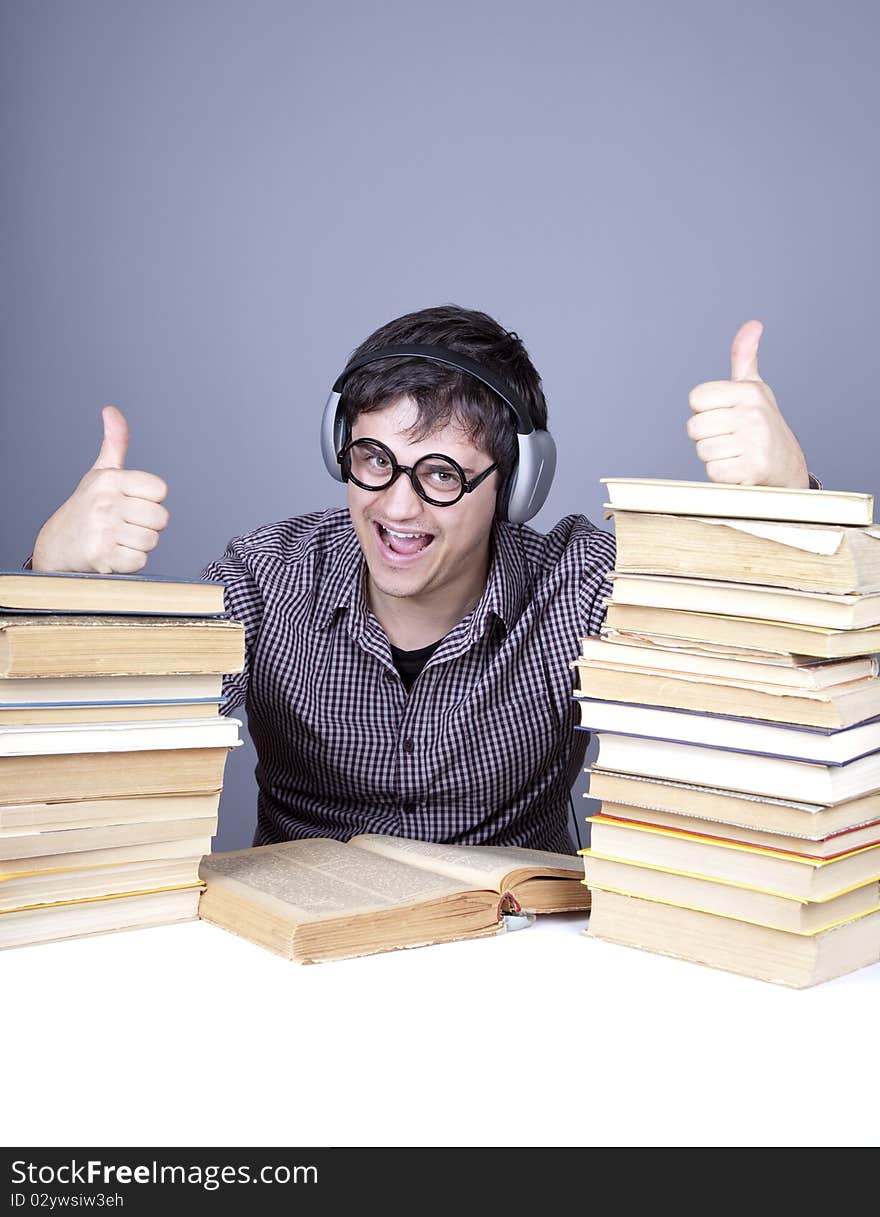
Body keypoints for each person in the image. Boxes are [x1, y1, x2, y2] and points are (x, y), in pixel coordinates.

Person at [31, 305, 812, 853]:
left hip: (519, 974)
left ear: (514, 485)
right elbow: (98, 738)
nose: (396, 505)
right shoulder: (266, 578)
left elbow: (781, 682)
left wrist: (792, 503)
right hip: (303, 973)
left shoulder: (578, 585)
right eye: (374, 459)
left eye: (441, 473)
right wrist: (51, 579)